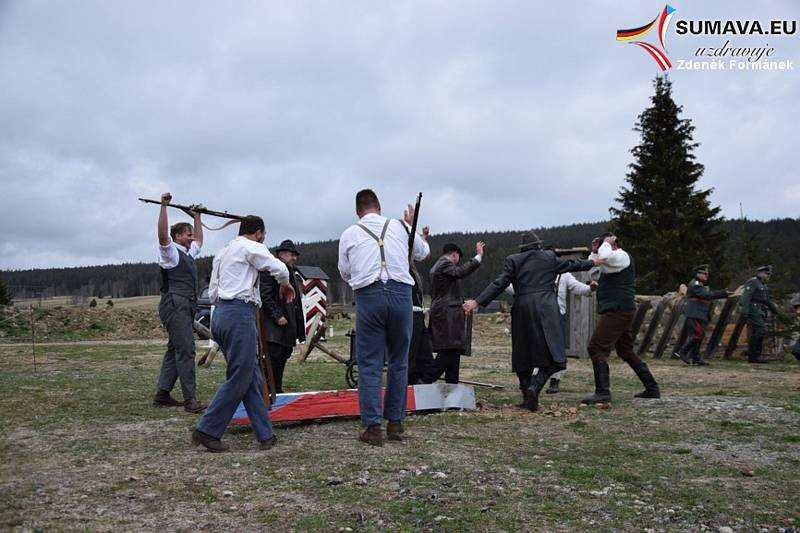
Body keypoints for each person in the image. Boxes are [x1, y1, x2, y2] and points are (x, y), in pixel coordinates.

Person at [191, 216, 295, 452]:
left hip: (219, 315)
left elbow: (215, 289)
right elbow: (279, 267)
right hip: (239, 314)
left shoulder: (224, 251)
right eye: (264, 235)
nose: (264, 239)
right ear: (259, 233)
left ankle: (265, 434)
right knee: (240, 376)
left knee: (251, 375)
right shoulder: (252, 247)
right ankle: (207, 429)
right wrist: (285, 284)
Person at [463, 231, 599, 411]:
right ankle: (534, 387)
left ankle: (527, 397)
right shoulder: (548, 257)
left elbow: (499, 283)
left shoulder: (514, 260)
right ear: (537, 245)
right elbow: (573, 264)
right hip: (546, 308)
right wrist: (593, 262)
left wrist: (477, 301)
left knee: (523, 353)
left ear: (523, 248)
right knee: (553, 354)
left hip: (522, 308)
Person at [338, 189, 430, 446]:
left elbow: (345, 272)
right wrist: (411, 227)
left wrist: (363, 279)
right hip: (402, 295)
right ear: (379, 207)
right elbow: (423, 253)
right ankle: (396, 422)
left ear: (358, 211)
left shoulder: (349, 234)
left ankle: (372, 427)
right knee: (400, 361)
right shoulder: (400, 226)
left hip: (369, 296)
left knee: (370, 363)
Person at [581, 234, 660, 404]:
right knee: (625, 350)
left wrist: (607, 243)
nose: (601, 247)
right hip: (619, 310)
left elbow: (604, 257)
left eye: (603, 244)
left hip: (618, 310)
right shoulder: (611, 261)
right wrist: (594, 252)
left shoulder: (621, 256)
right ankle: (652, 388)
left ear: (613, 244)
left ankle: (602, 392)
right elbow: (593, 269)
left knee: (596, 347)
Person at [153, 192, 207, 413]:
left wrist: (196, 217)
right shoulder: (170, 252)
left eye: (191, 234)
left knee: (174, 349)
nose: (192, 237)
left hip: (185, 304)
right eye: (187, 234)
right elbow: (162, 235)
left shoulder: (187, 252)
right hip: (175, 304)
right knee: (186, 351)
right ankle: (190, 400)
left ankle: (162, 394)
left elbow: (200, 241)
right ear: (177, 236)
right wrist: (164, 207)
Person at [423, 242, 485, 384]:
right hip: (448, 313)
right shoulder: (444, 264)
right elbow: (461, 272)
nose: (458, 261)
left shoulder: (437, 266)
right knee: (449, 350)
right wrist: (478, 257)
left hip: (445, 312)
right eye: (458, 257)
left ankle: (452, 387)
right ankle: (425, 380)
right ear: (454, 254)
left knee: (454, 350)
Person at [259, 239, 306, 393]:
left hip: (287, 325)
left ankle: (276, 390)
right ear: (280, 254)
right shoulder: (269, 270)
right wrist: (277, 316)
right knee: (272, 359)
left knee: (283, 355)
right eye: (291, 254)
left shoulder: (291, 271)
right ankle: (268, 391)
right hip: (274, 326)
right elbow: (265, 296)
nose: (294, 258)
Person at [545, 271, 598, 394]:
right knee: (537, 346)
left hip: (558, 315)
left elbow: (578, 287)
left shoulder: (565, 275)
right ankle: (534, 378)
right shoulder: (538, 271)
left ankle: (555, 379)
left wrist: (590, 288)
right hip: (540, 314)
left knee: (556, 349)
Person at [673, 264, 732, 366]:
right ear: (697, 274)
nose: (706, 275)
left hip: (700, 314)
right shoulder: (695, 284)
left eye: (707, 274)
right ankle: (682, 351)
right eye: (704, 273)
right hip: (695, 313)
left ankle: (696, 357)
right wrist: (723, 293)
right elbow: (706, 295)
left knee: (700, 335)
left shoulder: (700, 284)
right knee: (697, 334)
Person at [739, 265, 780, 364]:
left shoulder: (763, 285)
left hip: (761, 310)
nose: (768, 276)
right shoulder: (753, 282)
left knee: (756, 333)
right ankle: (754, 356)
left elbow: (767, 301)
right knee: (761, 330)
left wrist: (776, 312)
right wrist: (745, 311)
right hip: (753, 309)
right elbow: (746, 297)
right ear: (760, 273)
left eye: (769, 274)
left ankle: (754, 356)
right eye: (766, 273)